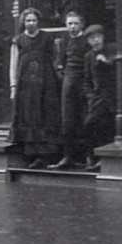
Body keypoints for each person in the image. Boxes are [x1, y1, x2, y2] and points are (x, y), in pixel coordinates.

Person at [8, 8, 62, 169]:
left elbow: (56, 57)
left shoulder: (47, 38)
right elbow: (13, 65)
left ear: (38, 22)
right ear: (23, 22)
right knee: (29, 116)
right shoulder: (18, 41)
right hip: (26, 87)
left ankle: (47, 156)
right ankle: (33, 156)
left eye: (34, 20)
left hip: (46, 85)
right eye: (28, 21)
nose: (31, 23)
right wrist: (13, 86)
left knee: (46, 115)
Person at [48, 12, 90, 170]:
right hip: (69, 82)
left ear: (82, 25)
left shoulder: (87, 40)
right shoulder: (64, 40)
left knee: (86, 120)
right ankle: (68, 157)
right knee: (67, 121)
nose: (72, 27)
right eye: (69, 24)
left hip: (84, 82)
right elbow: (62, 62)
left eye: (75, 24)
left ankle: (89, 157)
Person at [81, 24, 116, 171]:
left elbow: (118, 71)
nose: (95, 40)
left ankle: (105, 159)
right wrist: (90, 95)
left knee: (109, 127)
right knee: (90, 124)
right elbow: (87, 79)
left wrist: (106, 63)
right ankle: (91, 157)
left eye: (98, 37)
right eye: (92, 38)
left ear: (103, 37)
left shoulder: (112, 49)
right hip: (97, 98)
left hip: (113, 97)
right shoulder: (88, 56)